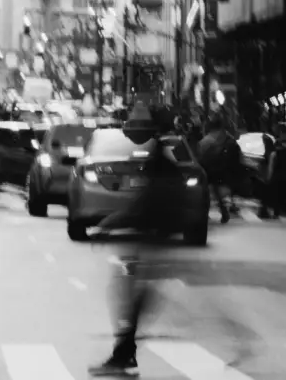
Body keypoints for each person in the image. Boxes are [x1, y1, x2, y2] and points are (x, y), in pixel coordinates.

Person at [86, 111, 184, 377]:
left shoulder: (160, 160)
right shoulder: (163, 157)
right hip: (152, 239)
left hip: (150, 240)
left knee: (127, 295)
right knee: (129, 295)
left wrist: (109, 224)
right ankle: (124, 351)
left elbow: (144, 204)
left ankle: (124, 352)